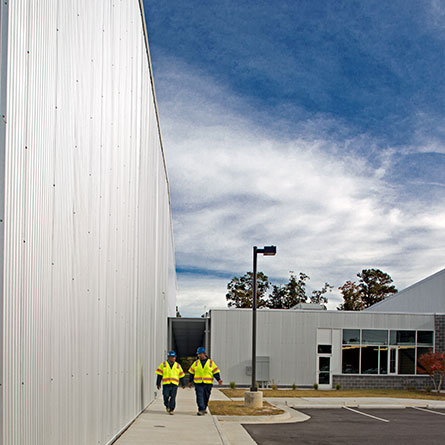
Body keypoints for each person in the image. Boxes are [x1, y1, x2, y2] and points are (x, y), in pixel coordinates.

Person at [188, 347, 223, 416]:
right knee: (199, 396)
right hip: (198, 383)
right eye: (198, 354)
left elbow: (215, 372)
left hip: (208, 384)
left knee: (206, 397)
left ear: (204, 354)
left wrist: (218, 379)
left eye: (200, 354)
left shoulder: (210, 363)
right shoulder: (196, 363)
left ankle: (204, 407)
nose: (199, 355)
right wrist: (190, 381)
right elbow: (191, 373)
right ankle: (201, 409)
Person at [155, 350, 186, 415]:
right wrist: (158, 383)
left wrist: (183, 384)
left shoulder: (178, 366)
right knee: (165, 396)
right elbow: (159, 375)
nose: (172, 358)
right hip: (166, 384)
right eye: (171, 357)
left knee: (173, 397)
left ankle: (171, 409)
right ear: (168, 357)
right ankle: (167, 405)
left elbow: (181, 375)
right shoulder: (163, 365)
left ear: (175, 358)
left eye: (173, 357)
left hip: (174, 385)